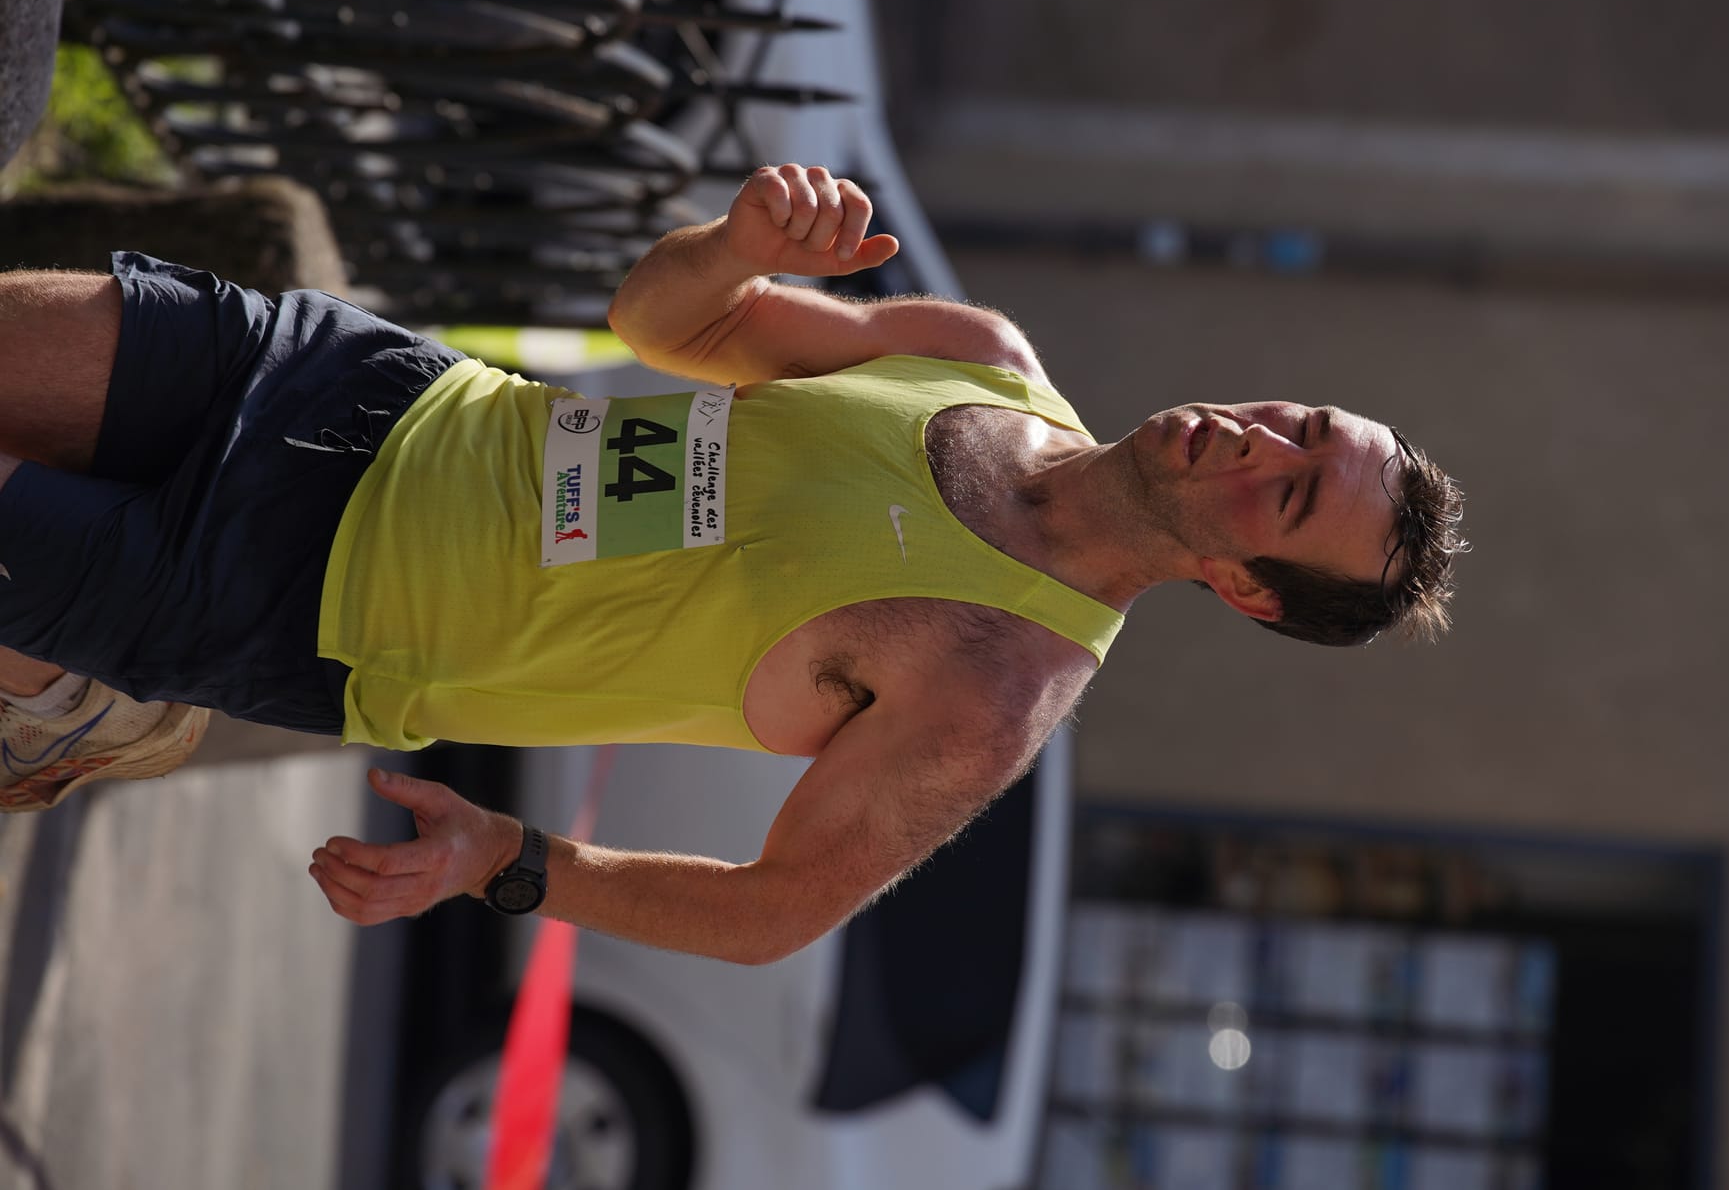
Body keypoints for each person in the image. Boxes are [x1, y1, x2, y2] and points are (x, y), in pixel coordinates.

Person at [0, 164, 1466, 963]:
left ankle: (65, 701)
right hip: (373, 392)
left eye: (1287, 493)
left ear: (1244, 590)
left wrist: (504, 862)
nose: (1255, 439)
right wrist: (740, 241)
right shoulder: (987, 362)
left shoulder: (995, 681)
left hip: (304, 604)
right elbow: (663, 322)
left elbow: (775, 912)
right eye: (1303, 423)